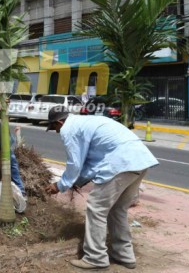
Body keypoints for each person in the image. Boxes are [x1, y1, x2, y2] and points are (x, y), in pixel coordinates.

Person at [44, 106, 158, 270]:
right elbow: (92, 163)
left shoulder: (69, 129)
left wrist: (60, 185)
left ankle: (95, 258)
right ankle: (124, 255)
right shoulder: (87, 122)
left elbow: (75, 164)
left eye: (54, 127)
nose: (56, 132)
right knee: (117, 209)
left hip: (120, 163)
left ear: (60, 122)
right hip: (139, 161)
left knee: (96, 207)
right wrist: (78, 181)